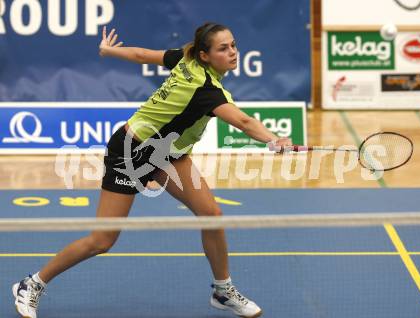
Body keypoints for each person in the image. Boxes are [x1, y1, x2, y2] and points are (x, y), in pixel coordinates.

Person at [12, 22, 291, 318]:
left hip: (167, 154)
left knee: (211, 215)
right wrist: (274, 139)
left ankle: (223, 290)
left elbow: (143, 55)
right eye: (224, 48)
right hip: (131, 151)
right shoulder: (206, 90)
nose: (233, 52)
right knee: (102, 240)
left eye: (233, 45)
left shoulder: (186, 60)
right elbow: (244, 122)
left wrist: (110, 50)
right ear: (205, 55)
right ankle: (32, 284)